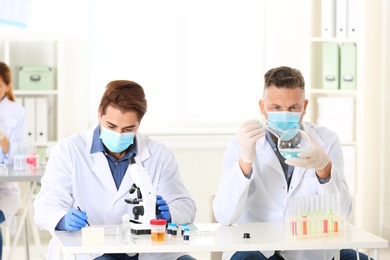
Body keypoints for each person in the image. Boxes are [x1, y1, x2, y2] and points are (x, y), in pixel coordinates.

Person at [213, 66, 370, 260]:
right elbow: (224, 215)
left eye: (293, 108)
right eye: (276, 108)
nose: (285, 115)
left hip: (310, 250)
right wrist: (245, 161)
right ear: (262, 107)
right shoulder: (242, 143)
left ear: (304, 106)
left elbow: (343, 213)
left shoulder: (326, 141)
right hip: (258, 249)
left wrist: (324, 168)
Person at [34, 80, 197, 260]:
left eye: (128, 129)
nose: (118, 134)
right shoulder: (68, 151)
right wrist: (63, 219)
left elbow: (186, 205)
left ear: (139, 123)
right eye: (111, 126)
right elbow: (45, 206)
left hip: (148, 250)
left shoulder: (159, 154)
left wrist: (169, 213)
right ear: (99, 114)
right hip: (92, 250)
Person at [0, 62, 23, 259]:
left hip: (5, 189)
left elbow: (17, 157)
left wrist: (1, 136)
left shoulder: (17, 112)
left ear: (7, 86)